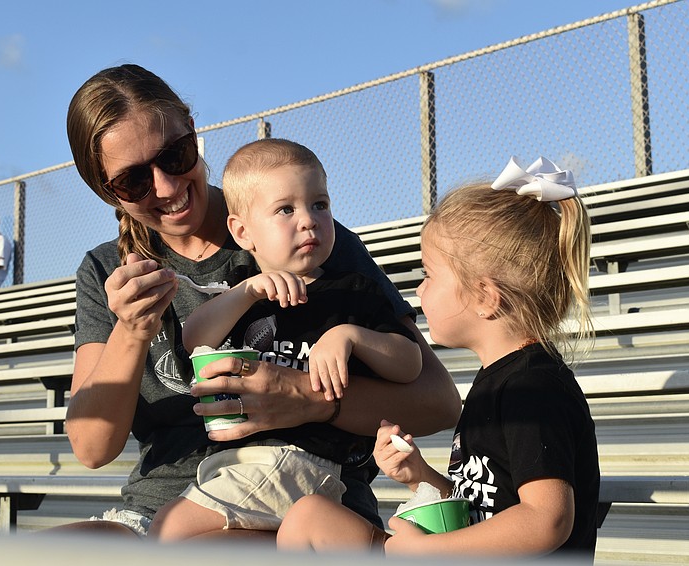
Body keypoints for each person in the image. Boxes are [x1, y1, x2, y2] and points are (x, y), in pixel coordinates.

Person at [57, 64, 460, 539]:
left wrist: (306, 399)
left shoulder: (298, 234)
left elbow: (437, 402)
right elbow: (91, 447)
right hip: (155, 509)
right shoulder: (106, 271)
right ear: (105, 191)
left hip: (298, 502)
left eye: (176, 154)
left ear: (193, 130)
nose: (165, 186)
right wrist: (132, 330)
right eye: (133, 182)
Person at [277, 156, 601, 560]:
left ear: (484, 297)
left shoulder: (534, 389)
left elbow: (545, 520)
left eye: (429, 274)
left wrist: (432, 550)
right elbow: (486, 510)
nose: (420, 289)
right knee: (310, 518)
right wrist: (420, 476)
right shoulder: (497, 378)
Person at [147, 139, 422, 540]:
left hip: (305, 460)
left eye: (320, 205)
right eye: (285, 210)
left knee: (168, 531)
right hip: (242, 463)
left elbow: (410, 363)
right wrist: (246, 292)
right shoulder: (244, 295)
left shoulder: (355, 291)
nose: (308, 220)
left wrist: (352, 337)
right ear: (242, 232)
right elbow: (192, 340)